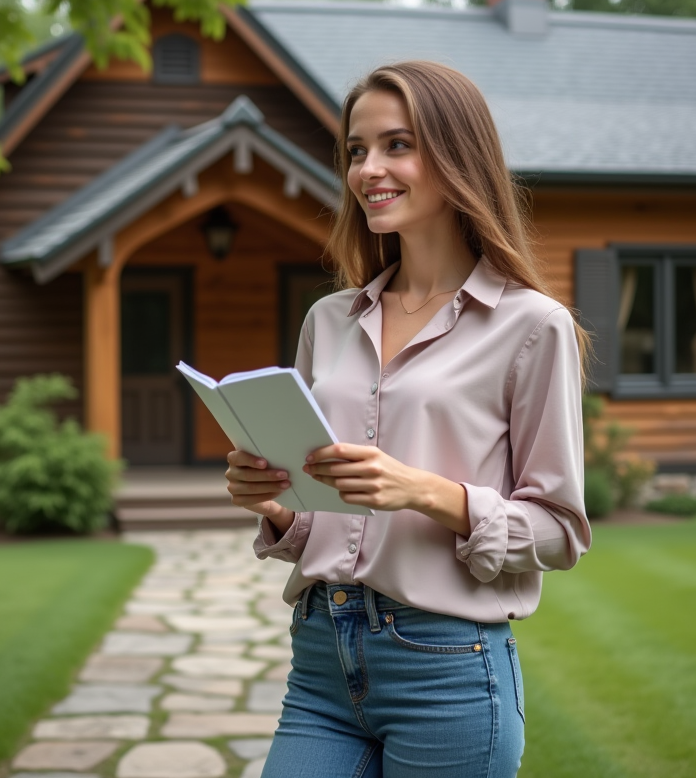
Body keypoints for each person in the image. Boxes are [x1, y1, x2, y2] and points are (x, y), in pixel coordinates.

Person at [224, 61, 593, 778]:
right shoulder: (328, 320)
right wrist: (275, 506)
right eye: (357, 151)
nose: (369, 170)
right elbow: (329, 519)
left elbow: (560, 530)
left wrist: (424, 491)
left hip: (447, 669)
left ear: (458, 157)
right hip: (322, 661)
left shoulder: (530, 326)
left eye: (397, 145)